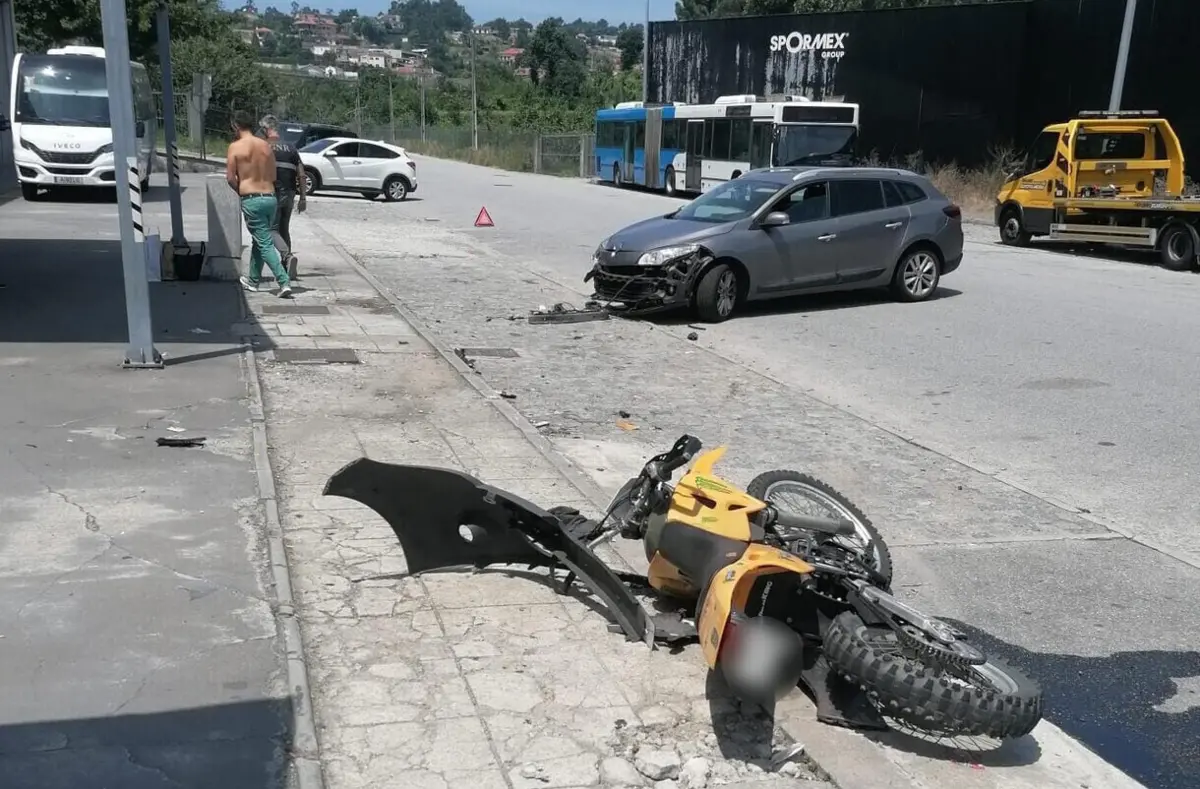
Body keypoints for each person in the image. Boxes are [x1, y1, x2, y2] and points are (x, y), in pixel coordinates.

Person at [226, 109, 291, 298]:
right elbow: (272, 175)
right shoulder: (265, 146)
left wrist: (242, 189)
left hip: (252, 198)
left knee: (263, 241)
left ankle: (283, 280)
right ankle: (253, 280)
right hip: (270, 197)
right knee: (260, 239)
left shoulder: (235, 147)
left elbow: (230, 177)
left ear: (236, 126)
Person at [259, 114, 306, 280]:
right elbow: (302, 175)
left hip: (273, 193)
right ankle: (288, 268)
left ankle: (287, 256)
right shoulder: (292, 148)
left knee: (270, 229)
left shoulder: (264, 146)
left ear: (266, 129)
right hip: (291, 193)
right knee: (284, 229)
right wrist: (303, 199)